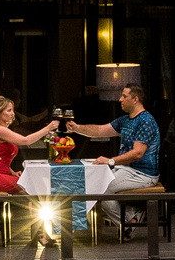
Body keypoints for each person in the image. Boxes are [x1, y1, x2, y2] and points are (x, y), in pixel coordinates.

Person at [67, 84, 162, 233]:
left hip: (143, 174)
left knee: (102, 188)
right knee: (93, 181)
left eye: (124, 96)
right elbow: (100, 130)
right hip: (126, 169)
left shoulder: (146, 121)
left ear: (135, 99)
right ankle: (131, 217)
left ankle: (127, 224)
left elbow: (138, 153)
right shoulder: (125, 120)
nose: (120, 99)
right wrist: (77, 128)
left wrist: (111, 161)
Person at [0, 94, 57, 194]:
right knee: (27, 185)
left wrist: (12, 173)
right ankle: (33, 209)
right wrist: (48, 128)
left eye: (13, 110)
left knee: (32, 183)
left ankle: (36, 208)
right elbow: (26, 141)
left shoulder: (3, 130)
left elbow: (1, 160)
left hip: (0, 173)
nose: (12, 113)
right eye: (9, 110)